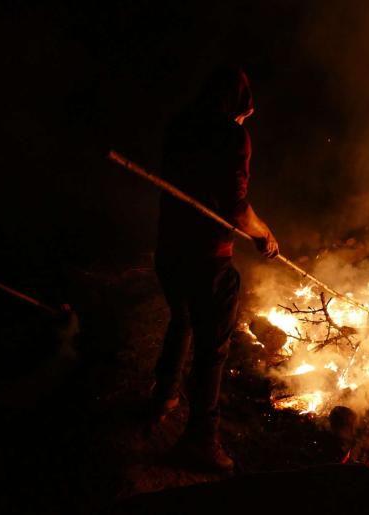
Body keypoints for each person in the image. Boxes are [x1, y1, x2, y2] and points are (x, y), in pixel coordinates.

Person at [148, 66, 278, 471]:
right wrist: (263, 234)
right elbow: (237, 207)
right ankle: (201, 440)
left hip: (169, 249)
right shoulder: (231, 134)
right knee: (212, 350)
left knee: (181, 319)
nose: (246, 118)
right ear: (237, 103)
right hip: (207, 256)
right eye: (244, 110)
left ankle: (162, 396)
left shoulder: (180, 125)